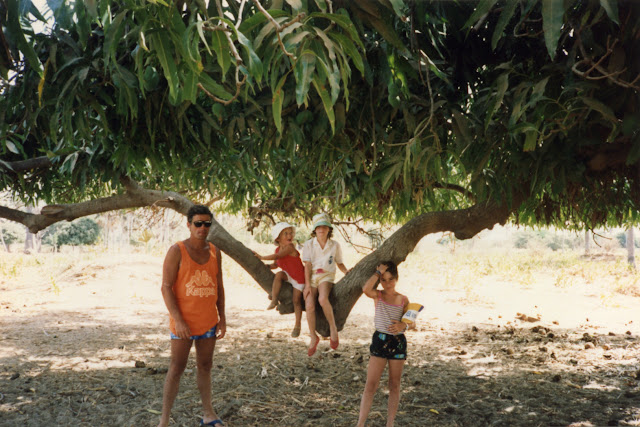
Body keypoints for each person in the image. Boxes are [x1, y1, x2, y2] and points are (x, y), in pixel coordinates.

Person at [158, 205, 226, 427]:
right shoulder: (177, 250)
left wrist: (222, 317)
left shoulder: (215, 251)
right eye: (198, 223)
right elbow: (166, 287)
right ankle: (164, 420)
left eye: (207, 224)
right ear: (189, 225)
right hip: (183, 324)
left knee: (205, 366)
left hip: (208, 322)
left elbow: (219, 287)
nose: (203, 228)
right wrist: (178, 319)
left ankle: (208, 414)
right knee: (177, 368)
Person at [357, 261, 410, 427]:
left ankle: (390, 423)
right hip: (380, 340)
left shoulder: (403, 299)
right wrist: (378, 272)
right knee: (371, 384)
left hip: (398, 342)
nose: (388, 284)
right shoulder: (378, 295)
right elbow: (366, 289)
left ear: (397, 279)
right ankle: (360, 423)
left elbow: (411, 321)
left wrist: (404, 325)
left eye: (391, 279)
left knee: (394, 384)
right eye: (384, 280)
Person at [302, 213, 349, 356]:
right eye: (318, 227)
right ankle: (313, 336)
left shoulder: (334, 245)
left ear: (329, 229)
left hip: (326, 276)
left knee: (322, 299)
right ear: (314, 230)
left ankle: (333, 329)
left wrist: (347, 272)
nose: (321, 229)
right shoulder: (309, 244)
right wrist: (307, 285)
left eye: (324, 227)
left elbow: (339, 262)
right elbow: (308, 265)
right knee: (309, 305)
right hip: (312, 277)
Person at [254, 221, 305, 337]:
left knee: (296, 300)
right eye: (285, 234)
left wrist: (262, 257)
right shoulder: (277, 250)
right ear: (278, 238)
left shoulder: (290, 247)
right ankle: (274, 299)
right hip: (288, 274)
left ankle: (297, 325)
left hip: (298, 277)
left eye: (290, 233)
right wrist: (267, 266)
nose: (289, 236)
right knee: (278, 275)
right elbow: (276, 264)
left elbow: (278, 257)